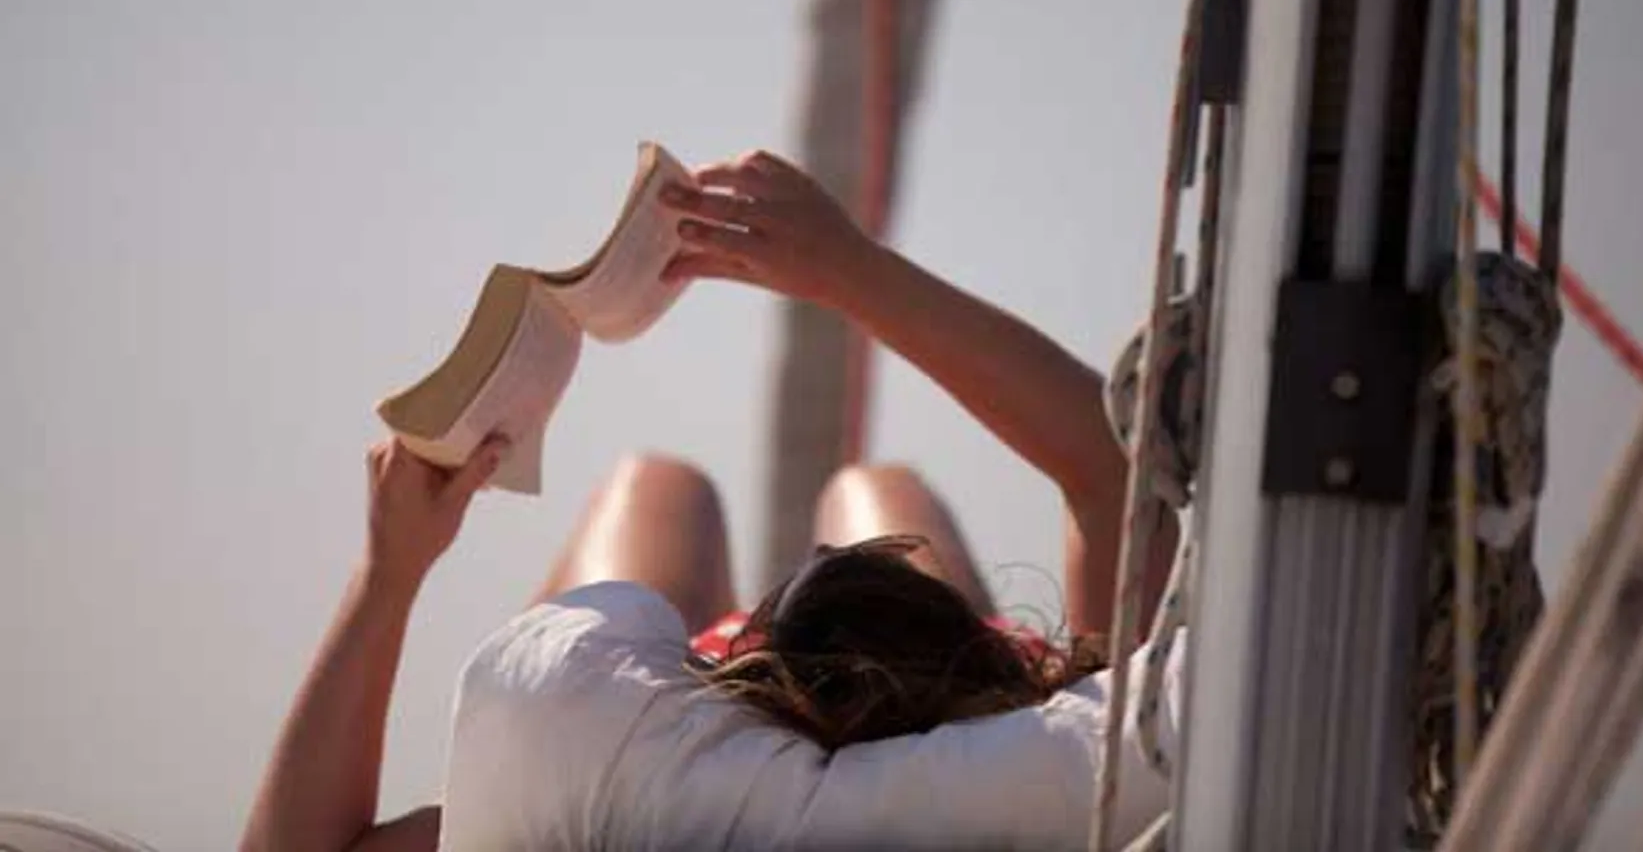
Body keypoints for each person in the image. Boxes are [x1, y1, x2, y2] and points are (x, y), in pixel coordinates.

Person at [240, 150, 1182, 852]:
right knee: (873, 490)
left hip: (791, 687)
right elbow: (1110, 473)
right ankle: (878, 572)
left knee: (658, 485)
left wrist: (390, 572)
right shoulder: (1039, 738)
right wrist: (852, 267)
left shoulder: (643, 787)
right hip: (896, 681)